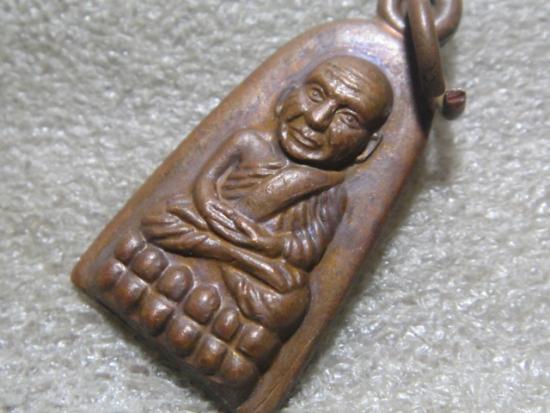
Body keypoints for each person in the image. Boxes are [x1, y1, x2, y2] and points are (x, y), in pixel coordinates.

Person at [141, 55, 393, 338]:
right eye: (315, 94)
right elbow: (206, 182)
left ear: (366, 148)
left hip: (253, 256)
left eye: (348, 118)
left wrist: (271, 243)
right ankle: (222, 253)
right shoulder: (249, 142)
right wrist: (209, 205)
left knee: (290, 300)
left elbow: (309, 248)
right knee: (161, 215)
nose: (317, 119)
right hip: (207, 223)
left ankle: (221, 253)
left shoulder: (330, 190)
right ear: (284, 97)